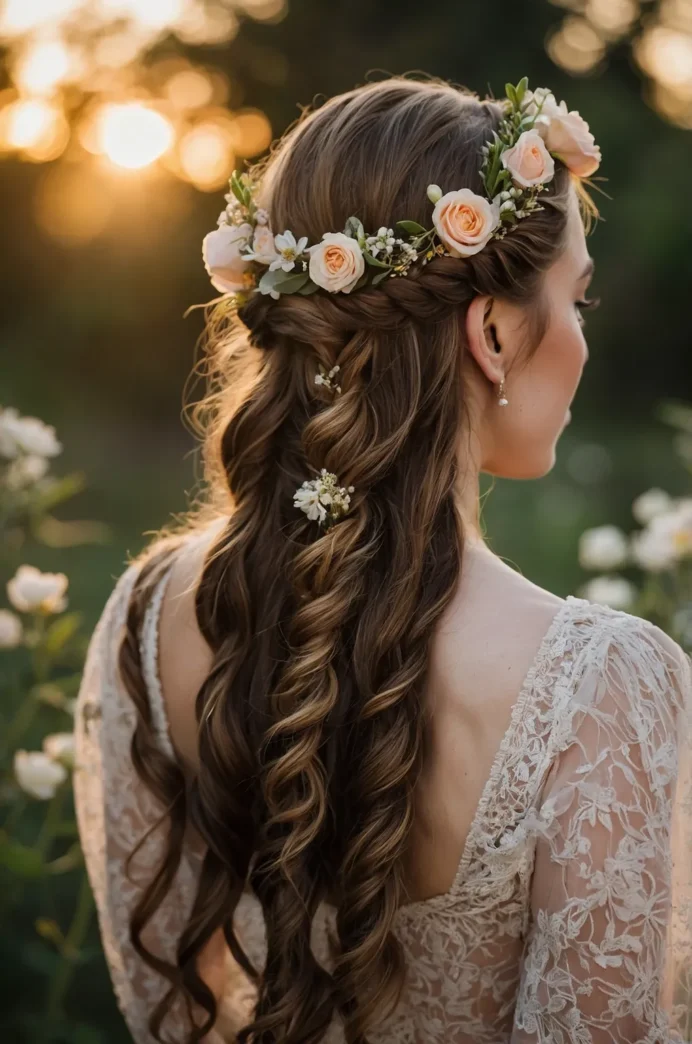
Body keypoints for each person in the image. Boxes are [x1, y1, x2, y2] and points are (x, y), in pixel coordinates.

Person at [73, 75, 692, 1044]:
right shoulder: (597, 685)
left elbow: (168, 1013)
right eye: (575, 298)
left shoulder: (150, 616)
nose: (579, 337)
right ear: (488, 331)